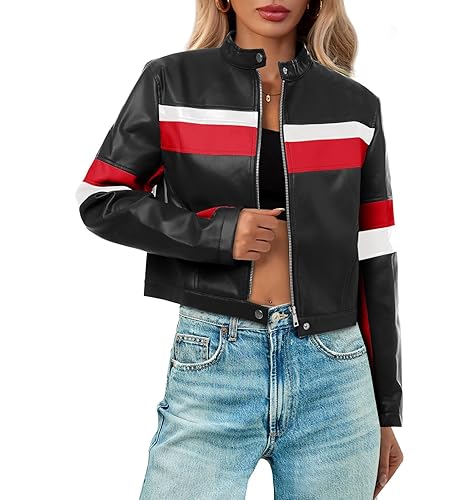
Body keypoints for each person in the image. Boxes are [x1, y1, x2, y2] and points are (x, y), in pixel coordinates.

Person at [75, 0, 404, 498]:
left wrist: (384, 412)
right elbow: (101, 198)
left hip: (336, 373)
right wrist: (218, 233)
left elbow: (375, 257)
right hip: (215, 358)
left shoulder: (355, 106)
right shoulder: (172, 83)